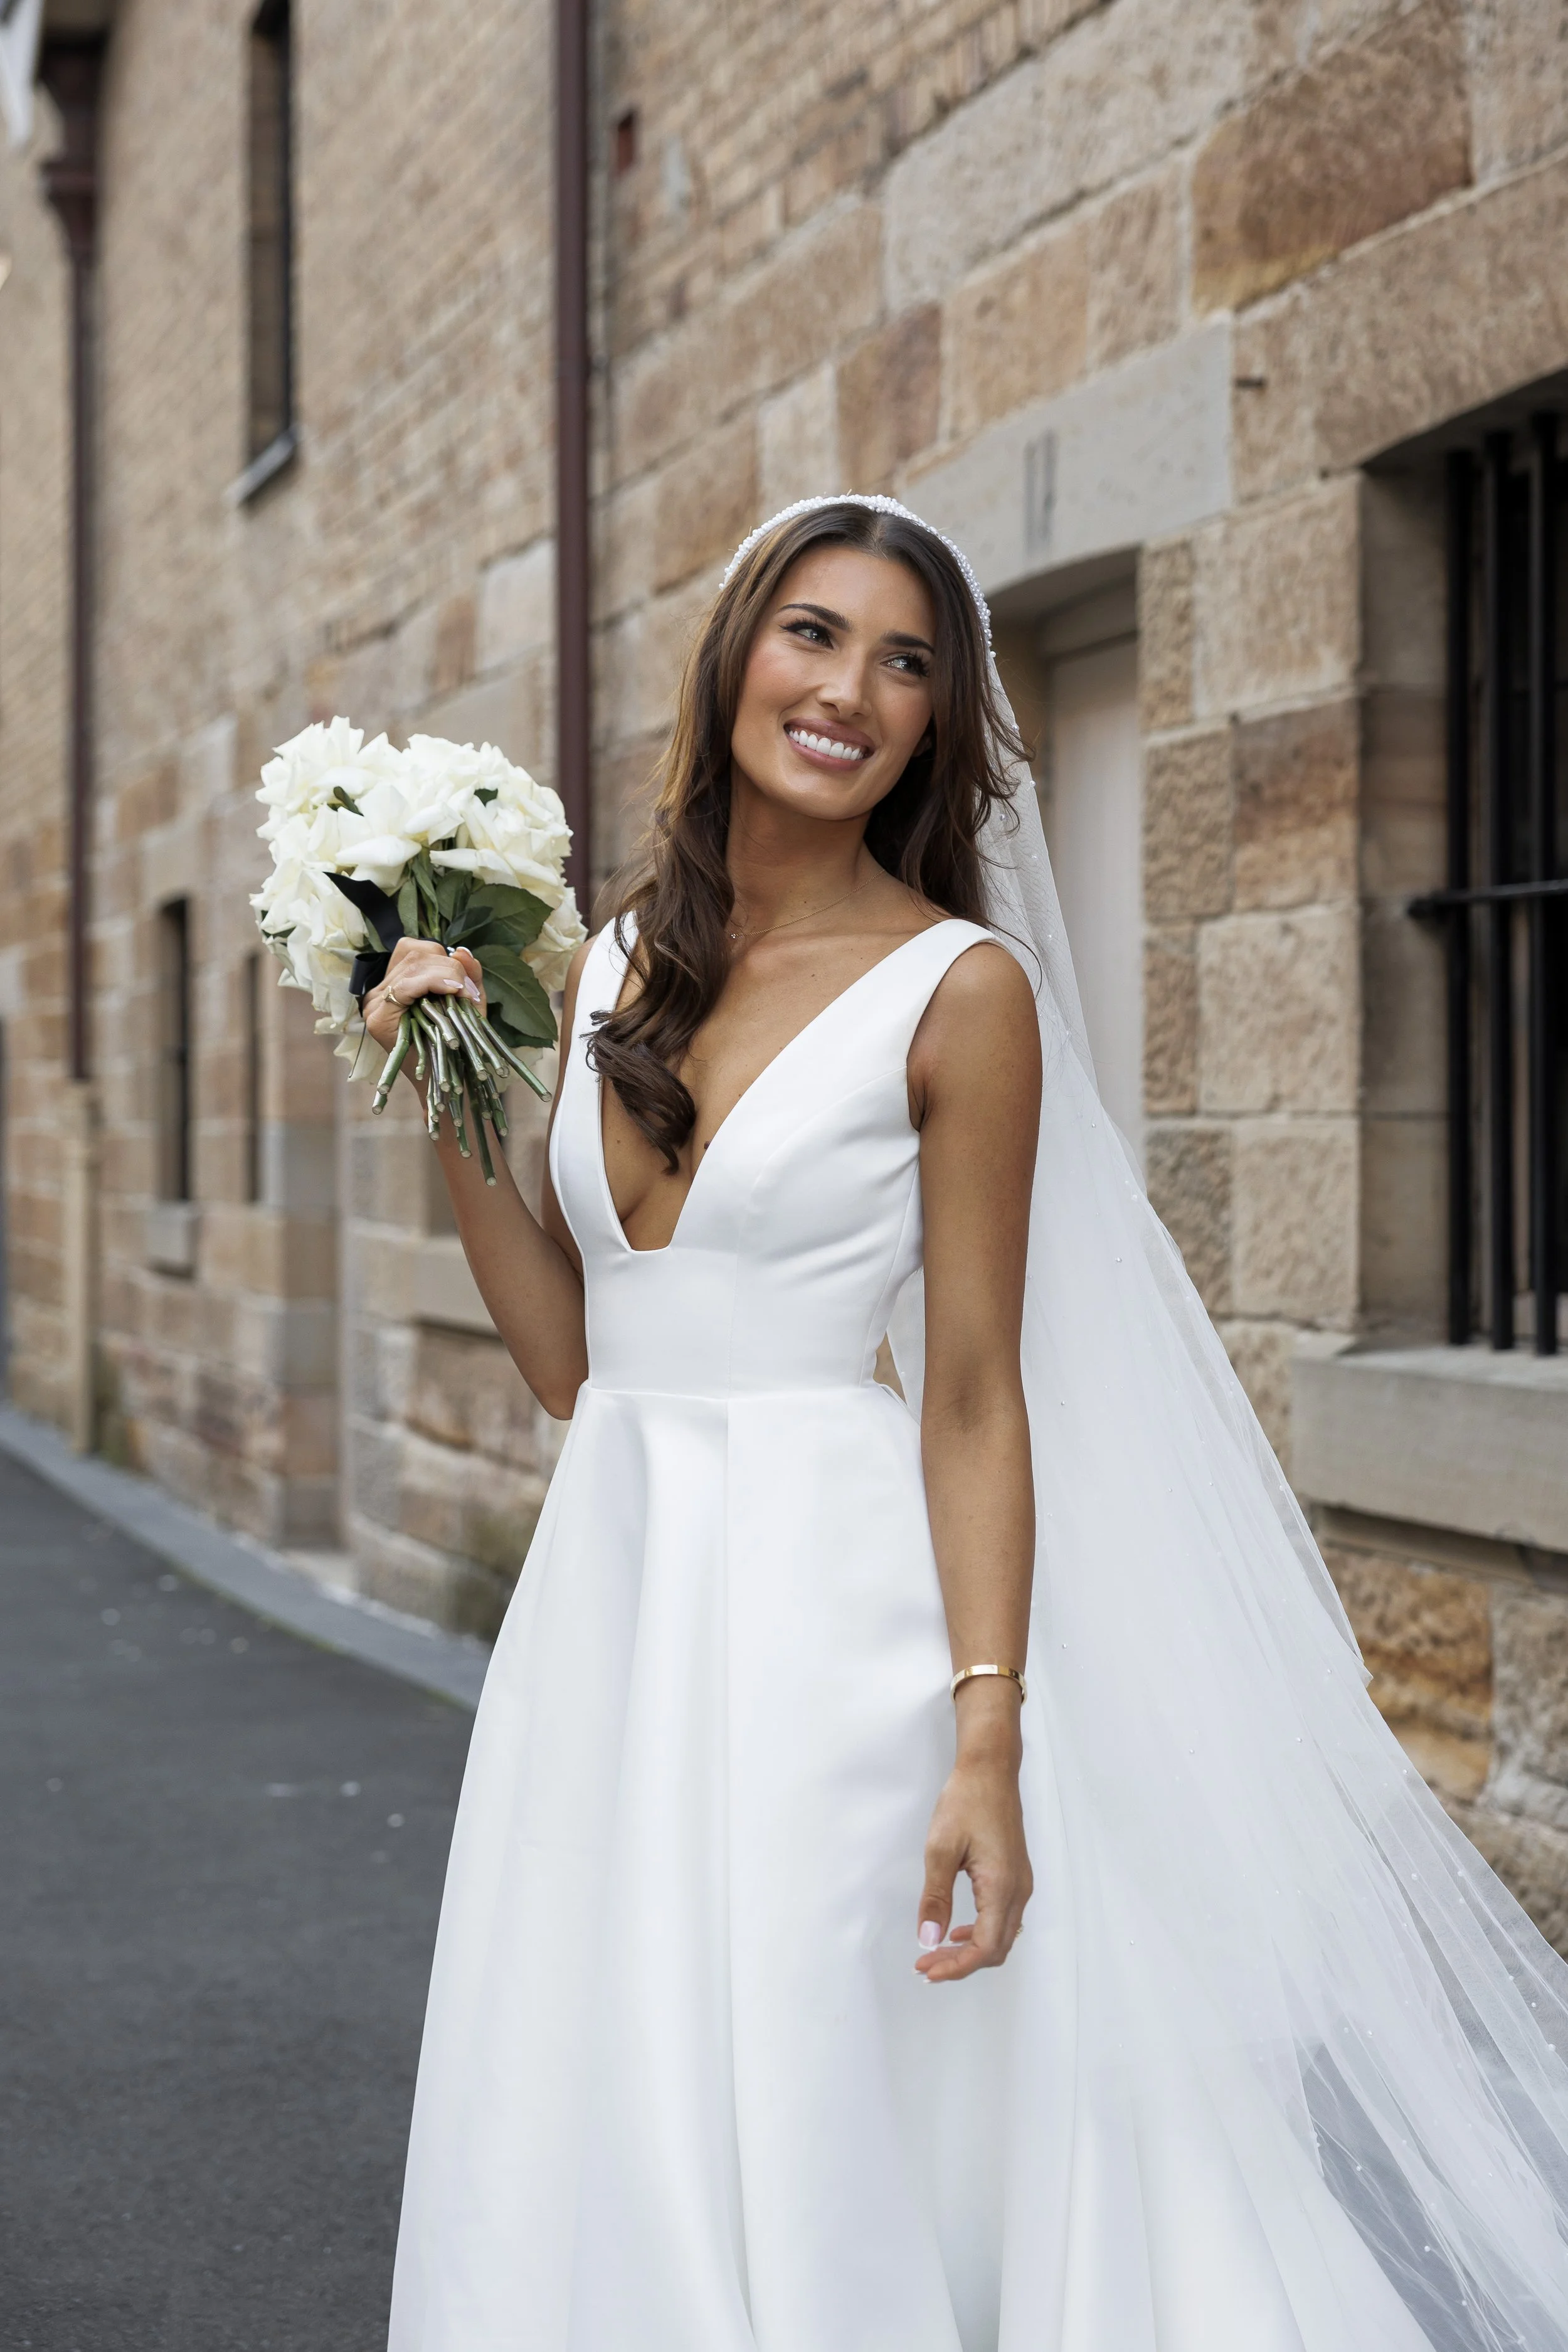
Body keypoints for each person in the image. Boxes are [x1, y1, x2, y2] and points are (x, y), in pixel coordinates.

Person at [379, 497, 1568, 2351]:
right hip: (610, 1613)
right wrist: (444, 1084)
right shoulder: (613, 962)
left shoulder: (959, 991)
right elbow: (573, 1366)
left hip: (834, 1623)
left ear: (938, 722)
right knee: (612, 2050)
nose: (848, 688)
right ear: (734, 655)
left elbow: (968, 1392)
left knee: (822, 2064)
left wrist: (987, 1741)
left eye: (904, 661)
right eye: (812, 633)